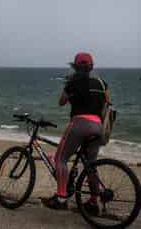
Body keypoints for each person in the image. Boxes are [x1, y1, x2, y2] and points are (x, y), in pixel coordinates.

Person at [41, 52, 110, 213]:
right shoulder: (101, 83)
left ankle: (61, 198)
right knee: (91, 165)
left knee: (61, 159)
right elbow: (107, 102)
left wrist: (70, 88)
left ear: (76, 66)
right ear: (92, 66)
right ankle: (93, 202)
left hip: (80, 124)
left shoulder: (73, 82)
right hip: (99, 126)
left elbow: (61, 102)